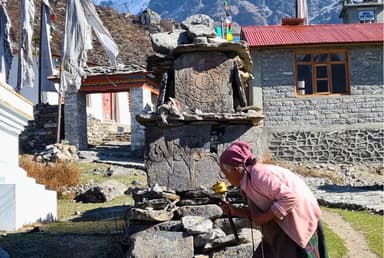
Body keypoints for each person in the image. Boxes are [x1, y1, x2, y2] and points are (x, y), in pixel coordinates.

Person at [218, 141, 328, 258]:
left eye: (225, 173)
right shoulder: (247, 181)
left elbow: (289, 198)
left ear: (235, 170)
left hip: (295, 225)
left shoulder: (259, 175)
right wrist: (234, 211)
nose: (226, 178)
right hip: (279, 228)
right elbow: (259, 213)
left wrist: (264, 218)